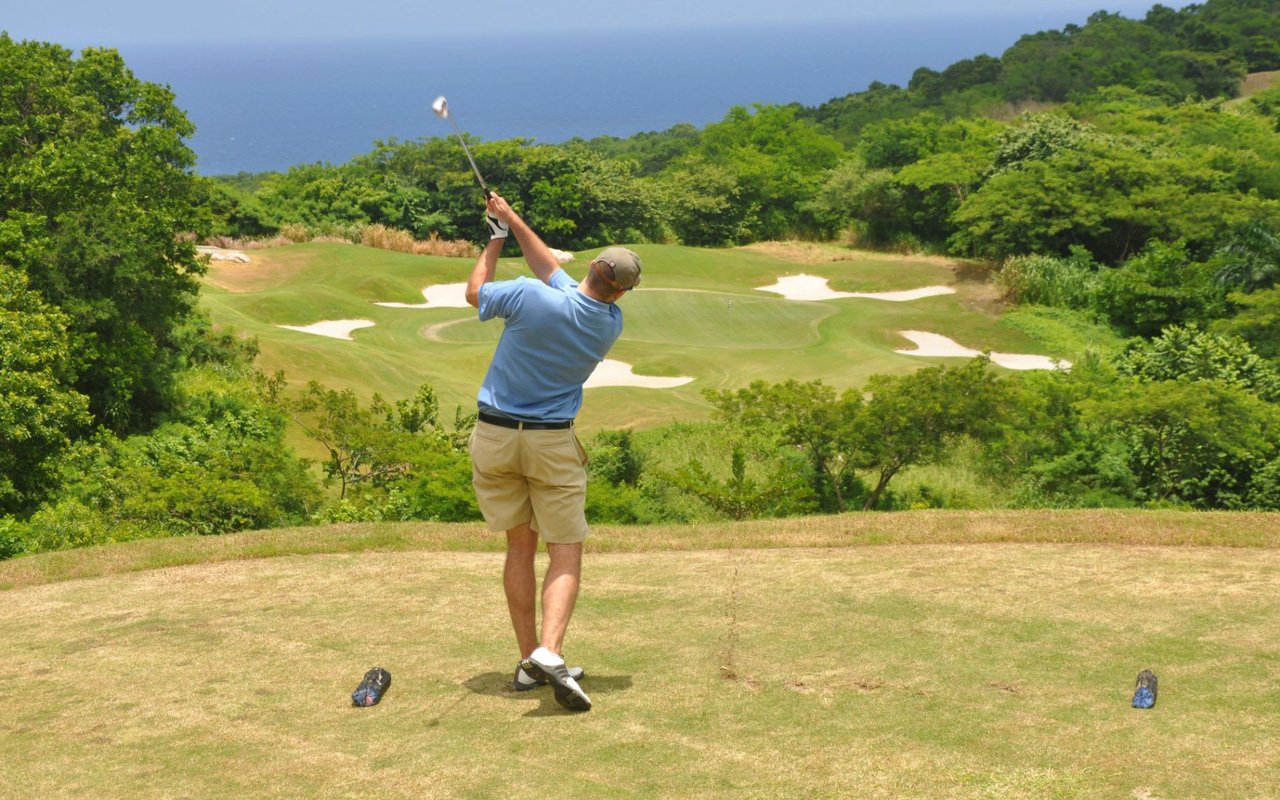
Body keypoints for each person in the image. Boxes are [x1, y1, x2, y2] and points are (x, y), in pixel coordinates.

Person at [465, 191, 641, 712]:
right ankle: (550, 652)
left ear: (590, 266)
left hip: (495, 437)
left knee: (520, 547)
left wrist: (496, 238)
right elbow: (552, 272)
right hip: (550, 444)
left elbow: (476, 292)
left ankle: (529, 662)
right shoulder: (608, 323)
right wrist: (514, 219)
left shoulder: (526, 296)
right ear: (622, 291)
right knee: (563, 548)